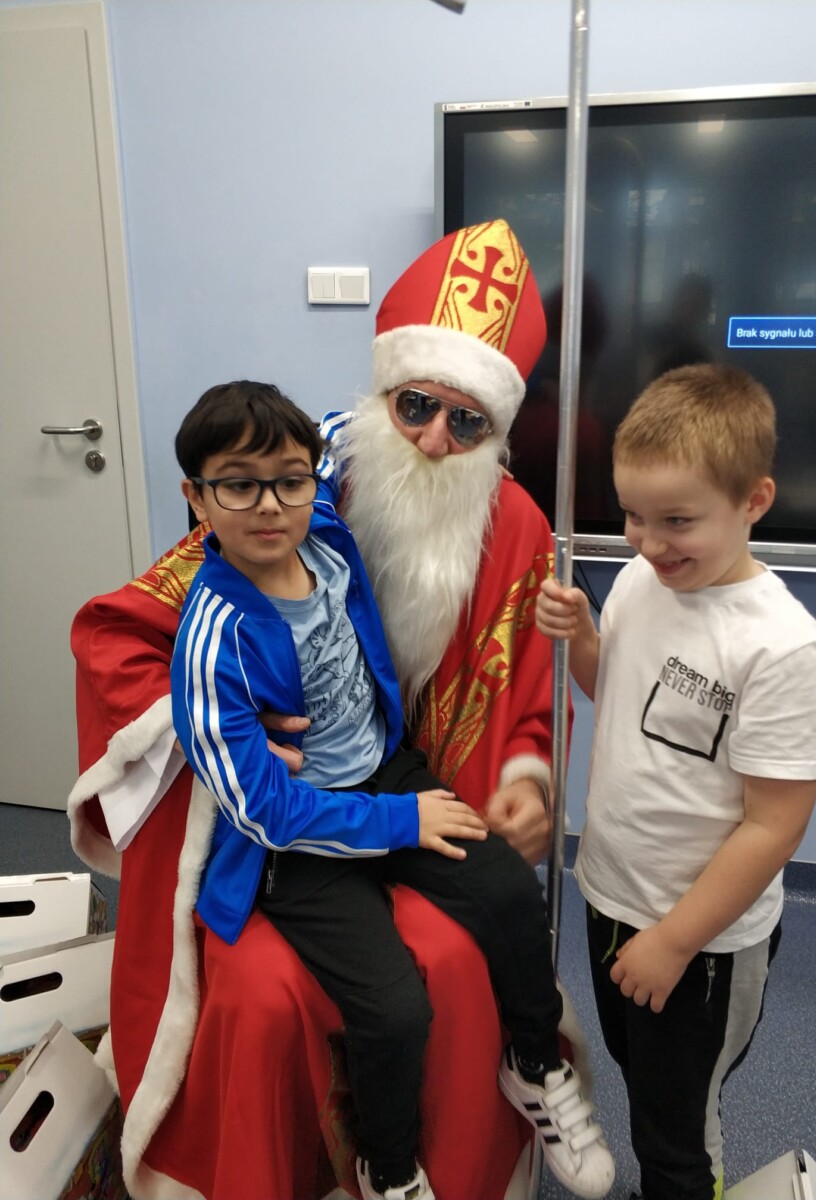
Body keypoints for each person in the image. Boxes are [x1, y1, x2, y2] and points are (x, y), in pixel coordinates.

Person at [66, 218, 593, 1200]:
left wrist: (525, 777)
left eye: (467, 423)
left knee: (475, 937)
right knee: (271, 996)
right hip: (289, 818)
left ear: (497, 435)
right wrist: (216, 730)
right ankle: (339, 1169)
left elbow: (523, 685)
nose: (432, 440)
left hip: (404, 779)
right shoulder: (303, 481)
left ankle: (510, 1095)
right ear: (381, 393)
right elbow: (127, 630)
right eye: (416, 406)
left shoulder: (516, 523)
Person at [168, 379, 613, 1200]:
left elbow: (370, 430)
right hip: (298, 842)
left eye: (288, 482)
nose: (269, 506)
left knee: (512, 894)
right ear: (196, 499)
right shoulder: (212, 639)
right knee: (396, 1009)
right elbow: (263, 812)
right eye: (237, 487)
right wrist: (398, 821)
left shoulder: (324, 530)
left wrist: (440, 416)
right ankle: (390, 1167)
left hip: (382, 768)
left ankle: (533, 1062)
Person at [535, 363, 816, 1200]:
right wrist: (584, 639)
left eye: (677, 520)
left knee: (677, 1135)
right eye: (633, 514)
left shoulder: (782, 646)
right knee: (642, 1085)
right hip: (611, 896)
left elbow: (774, 826)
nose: (647, 540)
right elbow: (617, 694)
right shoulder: (644, 579)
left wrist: (672, 941)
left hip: (699, 943)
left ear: (753, 501)